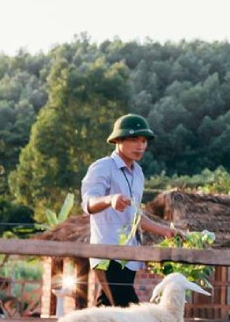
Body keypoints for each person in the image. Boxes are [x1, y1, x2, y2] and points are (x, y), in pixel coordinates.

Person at [80, 114, 188, 307]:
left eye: (144, 141)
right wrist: (110, 199)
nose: (141, 146)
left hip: (130, 257)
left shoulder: (137, 173)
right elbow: (88, 203)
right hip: (108, 254)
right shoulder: (103, 167)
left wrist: (165, 231)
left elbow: (135, 216)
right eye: (134, 140)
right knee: (129, 310)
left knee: (107, 311)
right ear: (118, 140)